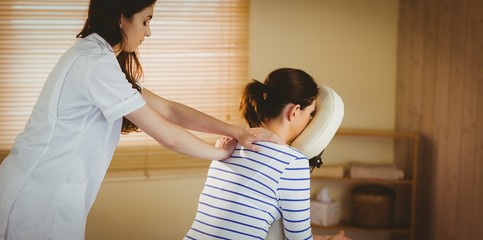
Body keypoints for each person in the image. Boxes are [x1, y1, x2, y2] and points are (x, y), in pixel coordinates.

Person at [0, 0, 280, 239]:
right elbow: (167, 133)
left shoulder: (98, 58)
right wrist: (220, 152)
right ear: (122, 17)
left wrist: (236, 131)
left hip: (42, 187)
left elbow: (169, 110)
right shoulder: (95, 64)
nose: (149, 31)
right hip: (40, 195)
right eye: (146, 21)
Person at [185, 68, 350, 240]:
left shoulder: (231, 143)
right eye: (310, 114)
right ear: (294, 111)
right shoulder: (293, 162)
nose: (310, 121)